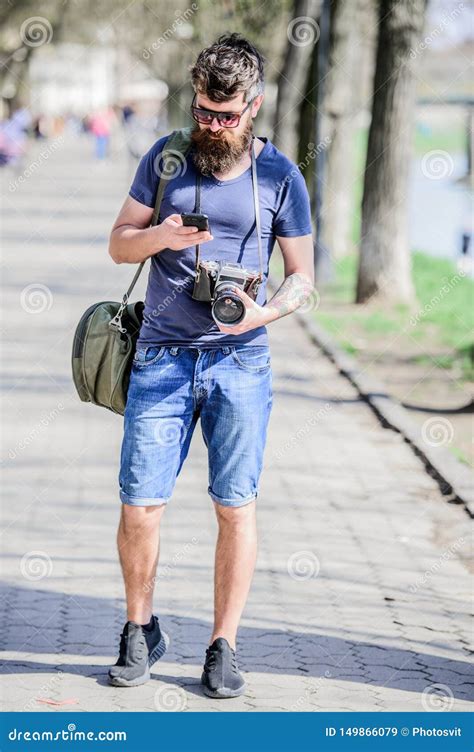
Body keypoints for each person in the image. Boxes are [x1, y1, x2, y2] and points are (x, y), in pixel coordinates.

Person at [107, 33, 314, 698]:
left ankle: (224, 643)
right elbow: (117, 245)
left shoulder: (280, 176)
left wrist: (264, 314)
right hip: (162, 358)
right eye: (202, 111)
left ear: (253, 106)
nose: (211, 126)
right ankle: (140, 629)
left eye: (225, 116)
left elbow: (304, 279)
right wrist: (159, 238)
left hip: (241, 363)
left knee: (235, 508)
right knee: (140, 506)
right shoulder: (166, 158)